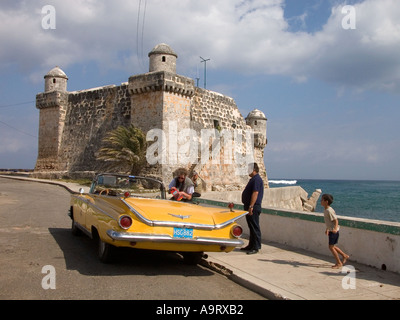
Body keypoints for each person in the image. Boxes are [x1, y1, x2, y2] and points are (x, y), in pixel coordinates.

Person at [321, 194, 350, 269]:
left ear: (326, 202)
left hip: (334, 232)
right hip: (331, 231)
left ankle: (339, 263)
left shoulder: (329, 211)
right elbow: (329, 222)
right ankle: (344, 256)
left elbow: (336, 220)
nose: (320, 201)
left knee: (331, 247)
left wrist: (334, 229)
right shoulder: (326, 210)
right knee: (333, 246)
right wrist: (327, 229)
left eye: (322, 200)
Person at [241, 163, 264, 255]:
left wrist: (251, 206)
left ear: (253, 170)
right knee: (251, 227)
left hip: (253, 207)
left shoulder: (256, 180)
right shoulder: (253, 179)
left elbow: (255, 193)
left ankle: (256, 247)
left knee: (254, 227)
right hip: (249, 206)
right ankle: (251, 245)